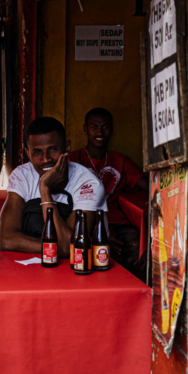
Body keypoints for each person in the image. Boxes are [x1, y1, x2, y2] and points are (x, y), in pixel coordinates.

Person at [0, 116, 106, 258]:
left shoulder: (88, 183)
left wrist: (44, 189)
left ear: (67, 148)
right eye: (37, 152)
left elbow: (70, 248)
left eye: (53, 149)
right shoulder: (22, 175)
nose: (46, 159)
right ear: (28, 154)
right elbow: (6, 240)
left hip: (73, 268)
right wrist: (54, 248)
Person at [69, 107, 149, 279]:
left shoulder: (121, 161)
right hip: (84, 220)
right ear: (85, 130)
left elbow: (149, 187)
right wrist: (100, 230)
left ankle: (132, 290)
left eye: (105, 127)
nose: (100, 132)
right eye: (94, 127)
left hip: (116, 221)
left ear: (111, 130)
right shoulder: (73, 160)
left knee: (138, 249)